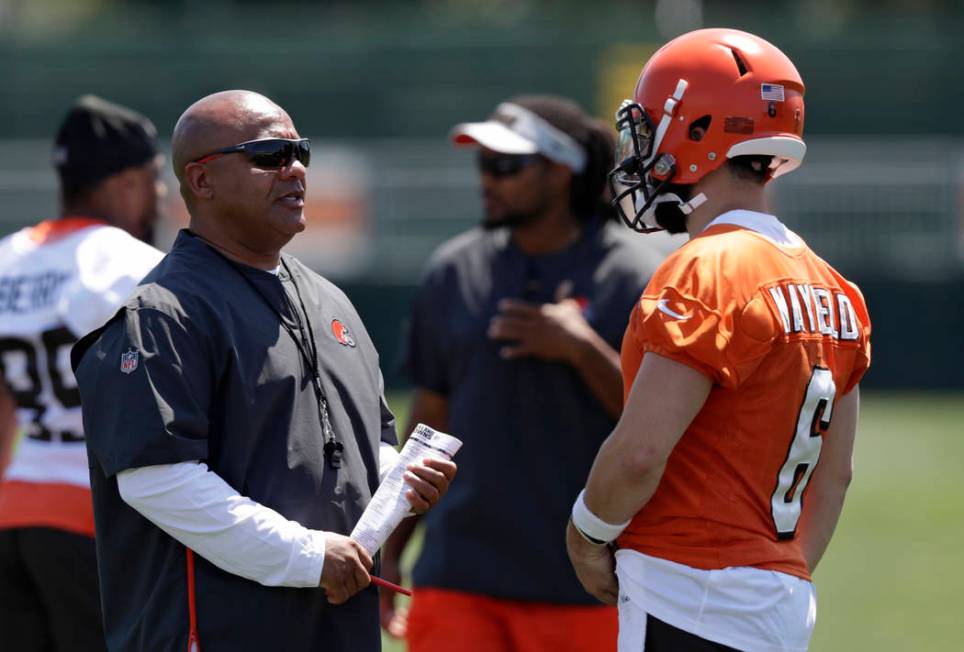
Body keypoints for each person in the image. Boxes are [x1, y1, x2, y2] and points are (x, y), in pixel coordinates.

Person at [69, 90, 456, 652]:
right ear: (201, 181)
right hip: (219, 630)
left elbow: (364, 446)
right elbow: (159, 481)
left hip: (334, 624)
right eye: (269, 156)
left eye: (299, 152)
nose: (294, 169)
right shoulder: (161, 313)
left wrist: (402, 479)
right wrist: (307, 555)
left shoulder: (332, 303)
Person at [565, 28, 872, 651]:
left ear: (698, 130)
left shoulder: (708, 268)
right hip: (780, 603)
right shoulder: (838, 287)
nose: (640, 151)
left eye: (649, 129)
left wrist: (586, 535)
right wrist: (781, 574)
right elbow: (834, 478)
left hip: (687, 594)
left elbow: (640, 452)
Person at [380, 95, 669, 652]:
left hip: (586, 584)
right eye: (483, 164)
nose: (488, 179)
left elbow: (656, 430)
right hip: (457, 578)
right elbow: (430, 419)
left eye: (506, 166)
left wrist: (582, 350)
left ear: (561, 173)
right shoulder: (452, 270)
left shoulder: (635, 275)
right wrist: (392, 547)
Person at [0, 95, 166, 651]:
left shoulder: (6, 260)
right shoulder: (131, 264)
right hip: (99, 518)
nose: (160, 195)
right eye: (155, 178)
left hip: (14, 509)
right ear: (126, 183)